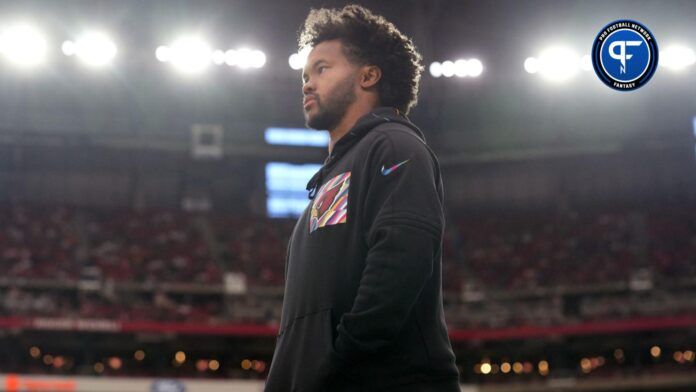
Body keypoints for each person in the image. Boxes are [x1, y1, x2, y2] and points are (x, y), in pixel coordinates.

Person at [264, 4, 460, 391]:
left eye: (322, 69)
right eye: (305, 74)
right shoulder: (331, 177)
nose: (306, 83)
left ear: (368, 76)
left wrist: (341, 362)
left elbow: (400, 259)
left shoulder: (395, 145)